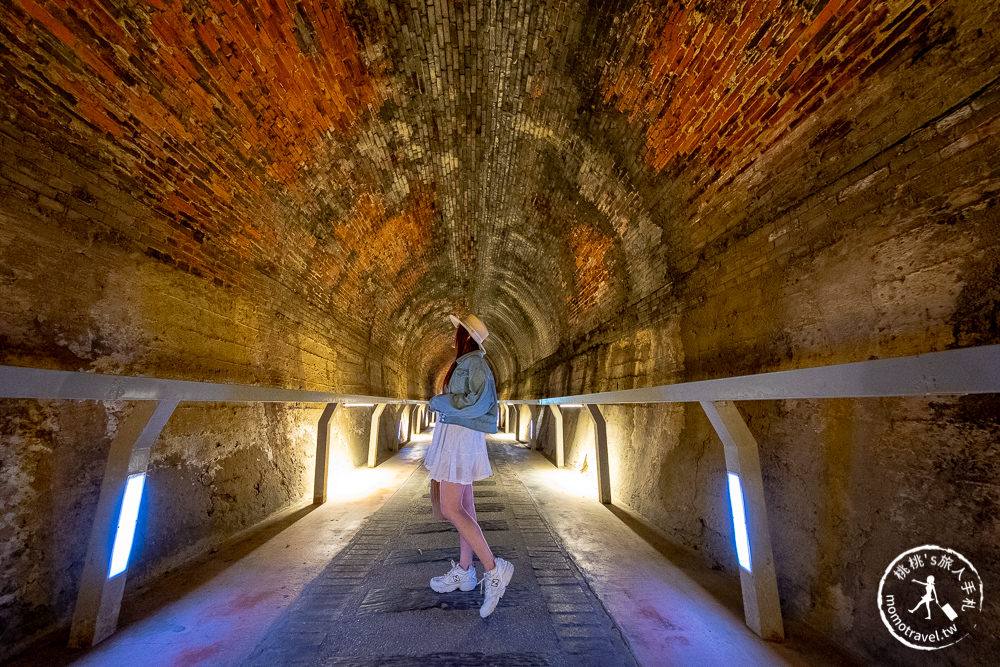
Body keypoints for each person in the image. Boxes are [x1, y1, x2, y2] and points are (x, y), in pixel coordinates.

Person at [424, 313, 512, 618]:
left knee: (451, 508)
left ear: (466, 336)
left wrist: (438, 402)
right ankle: (464, 571)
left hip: (460, 438)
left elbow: (472, 403)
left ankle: (493, 568)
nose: (453, 335)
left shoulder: (474, 364)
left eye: (457, 331)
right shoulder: (469, 362)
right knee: (465, 506)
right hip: (460, 435)